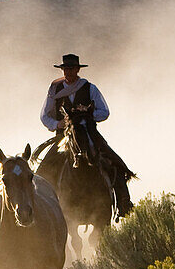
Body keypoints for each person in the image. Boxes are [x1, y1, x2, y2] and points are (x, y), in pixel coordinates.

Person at [38, 54, 133, 217]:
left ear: (77, 69)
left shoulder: (90, 88)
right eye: (65, 69)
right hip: (63, 137)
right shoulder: (54, 89)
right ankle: (42, 208)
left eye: (71, 69)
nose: (68, 72)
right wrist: (57, 124)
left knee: (116, 163)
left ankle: (123, 203)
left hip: (89, 132)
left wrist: (87, 117)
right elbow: (44, 115)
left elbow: (104, 112)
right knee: (43, 170)